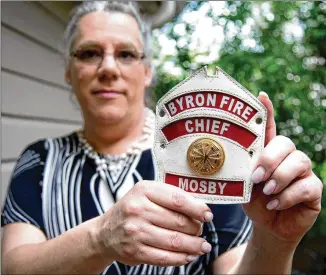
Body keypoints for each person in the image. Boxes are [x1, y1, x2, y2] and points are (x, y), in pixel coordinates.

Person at [1, 1, 323, 274]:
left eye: (126, 54)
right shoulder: (41, 160)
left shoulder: (203, 149)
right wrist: (101, 238)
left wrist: (275, 241)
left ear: (147, 71)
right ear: (68, 72)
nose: (109, 68)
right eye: (89, 53)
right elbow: (12, 266)